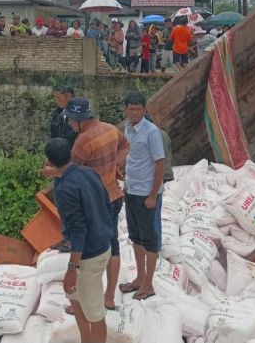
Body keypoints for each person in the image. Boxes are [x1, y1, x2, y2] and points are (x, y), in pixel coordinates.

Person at [44, 98, 129, 312]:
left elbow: (68, 169)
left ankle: (82, 300)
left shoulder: (84, 140)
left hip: (94, 201)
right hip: (114, 195)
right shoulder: (110, 128)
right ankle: (109, 297)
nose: (71, 125)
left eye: (72, 121)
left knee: (88, 250)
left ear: (81, 120)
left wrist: (50, 172)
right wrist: (115, 166)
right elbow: (125, 146)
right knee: (113, 245)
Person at [45, 138, 112, 343]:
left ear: (48, 160)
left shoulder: (66, 190)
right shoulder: (88, 173)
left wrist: (72, 269)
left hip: (88, 256)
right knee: (76, 301)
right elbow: (106, 203)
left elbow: (78, 232)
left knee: (94, 314)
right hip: (101, 244)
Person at [119, 91, 166, 301]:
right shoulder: (127, 130)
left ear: (145, 110)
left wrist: (153, 195)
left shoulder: (152, 132)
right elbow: (130, 161)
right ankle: (139, 278)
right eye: (131, 109)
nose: (134, 112)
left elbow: (160, 164)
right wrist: (126, 187)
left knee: (150, 240)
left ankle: (148, 284)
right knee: (135, 237)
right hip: (132, 191)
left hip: (147, 193)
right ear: (126, 110)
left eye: (138, 109)